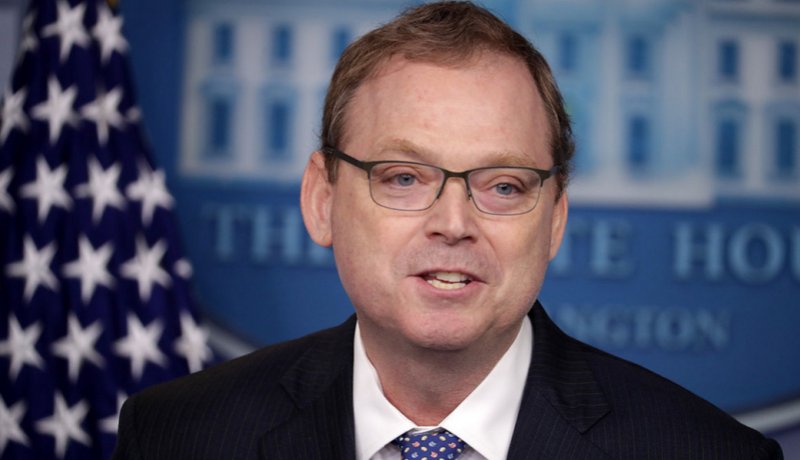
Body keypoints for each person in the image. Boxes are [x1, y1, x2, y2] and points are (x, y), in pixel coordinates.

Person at [113, 2, 783, 459]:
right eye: (404, 177)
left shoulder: (708, 453)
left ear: (555, 219)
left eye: (503, 186)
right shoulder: (178, 436)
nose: (454, 224)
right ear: (322, 199)